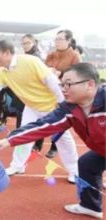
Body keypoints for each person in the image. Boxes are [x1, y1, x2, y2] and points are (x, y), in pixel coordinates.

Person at [0, 63, 105, 219]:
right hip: (101, 150)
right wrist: (9, 140)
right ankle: (90, 206)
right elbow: (43, 125)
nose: (63, 88)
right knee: (86, 164)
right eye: (62, 84)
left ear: (90, 84)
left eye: (68, 84)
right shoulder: (69, 108)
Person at [0, 40, 78, 183]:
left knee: (63, 140)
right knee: (24, 135)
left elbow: (51, 81)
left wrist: (62, 105)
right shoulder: (3, 72)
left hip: (51, 108)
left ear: (7, 53)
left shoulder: (30, 61)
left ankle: (74, 171)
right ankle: (17, 166)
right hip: (31, 108)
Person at [44, 29, 82, 158]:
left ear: (68, 41)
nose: (57, 42)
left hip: (65, 92)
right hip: (49, 92)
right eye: (56, 39)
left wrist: (61, 74)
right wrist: (50, 70)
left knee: (59, 120)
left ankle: (54, 147)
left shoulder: (75, 56)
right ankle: (37, 144)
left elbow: (77, 74)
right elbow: (44, 68)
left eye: (60, 39)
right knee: (43, 118)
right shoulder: (51, 54)